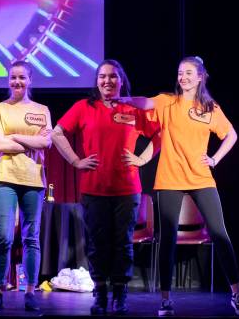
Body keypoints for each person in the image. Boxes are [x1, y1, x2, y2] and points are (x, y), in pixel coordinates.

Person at [116, 56, 239, 317]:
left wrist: (215, 159)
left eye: (189, 73)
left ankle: (237, 294)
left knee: (220, 234)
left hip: (201, 178)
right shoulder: (169, 102)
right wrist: (124, 99)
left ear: (200, 77)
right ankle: (166, 299)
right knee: (167, 239)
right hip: (169, 179)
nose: (183, 77)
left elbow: (231, 134)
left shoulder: (210, 107)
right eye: (180, 73)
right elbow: (145, 102)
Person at [51, 59, 159, 315]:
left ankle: (120, 295)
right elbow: (56, 133)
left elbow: (160, 134)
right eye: (102, 76)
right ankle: (100, 295)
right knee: (97, 244)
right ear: (97, 81)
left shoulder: (132, 109)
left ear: (121, 81)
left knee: (123, 243)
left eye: (113, 76)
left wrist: (142, 159)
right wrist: (76, 160)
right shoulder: (84, 107)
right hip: (94, 188)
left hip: (127, 189)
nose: (107, 81)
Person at [0, 60, 52, 312]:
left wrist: (13, 136)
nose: (17, 82)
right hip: (5, 178)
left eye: (22, 77)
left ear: (30, 79)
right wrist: (31, 141)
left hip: (34, 180)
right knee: (4, 237)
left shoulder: (42, 109)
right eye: (13, 78)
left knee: (31, 238)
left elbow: (46, 144)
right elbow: (0, 145)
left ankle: (30, 292)